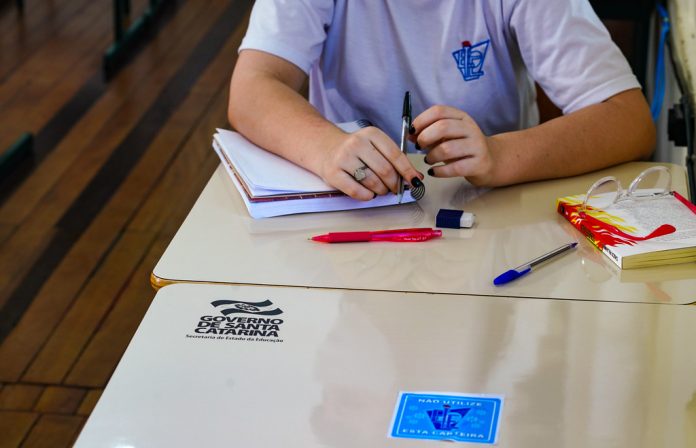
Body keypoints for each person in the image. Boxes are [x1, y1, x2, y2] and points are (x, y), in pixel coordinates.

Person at [228, 0, 655, 201]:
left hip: (490, 208)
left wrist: (499, 156)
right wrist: (326, 147)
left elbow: (627, 119)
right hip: (352, 205)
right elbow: (252, 87)